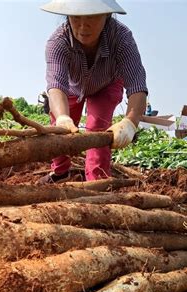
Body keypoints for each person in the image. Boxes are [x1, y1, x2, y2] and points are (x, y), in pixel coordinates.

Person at [38, 0, 148, 183]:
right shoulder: (58, 42)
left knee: (98, 128)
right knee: (59, 128)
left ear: (106, 15)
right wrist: (63, 117)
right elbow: (56, 85)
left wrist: (130, 122)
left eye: (91, 17)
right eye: (76, 17)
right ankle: (60, 173)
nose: (83, 26)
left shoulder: (121, 38)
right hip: (71, 88)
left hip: (107, 84)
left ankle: (97, 182)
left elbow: (137, 84)